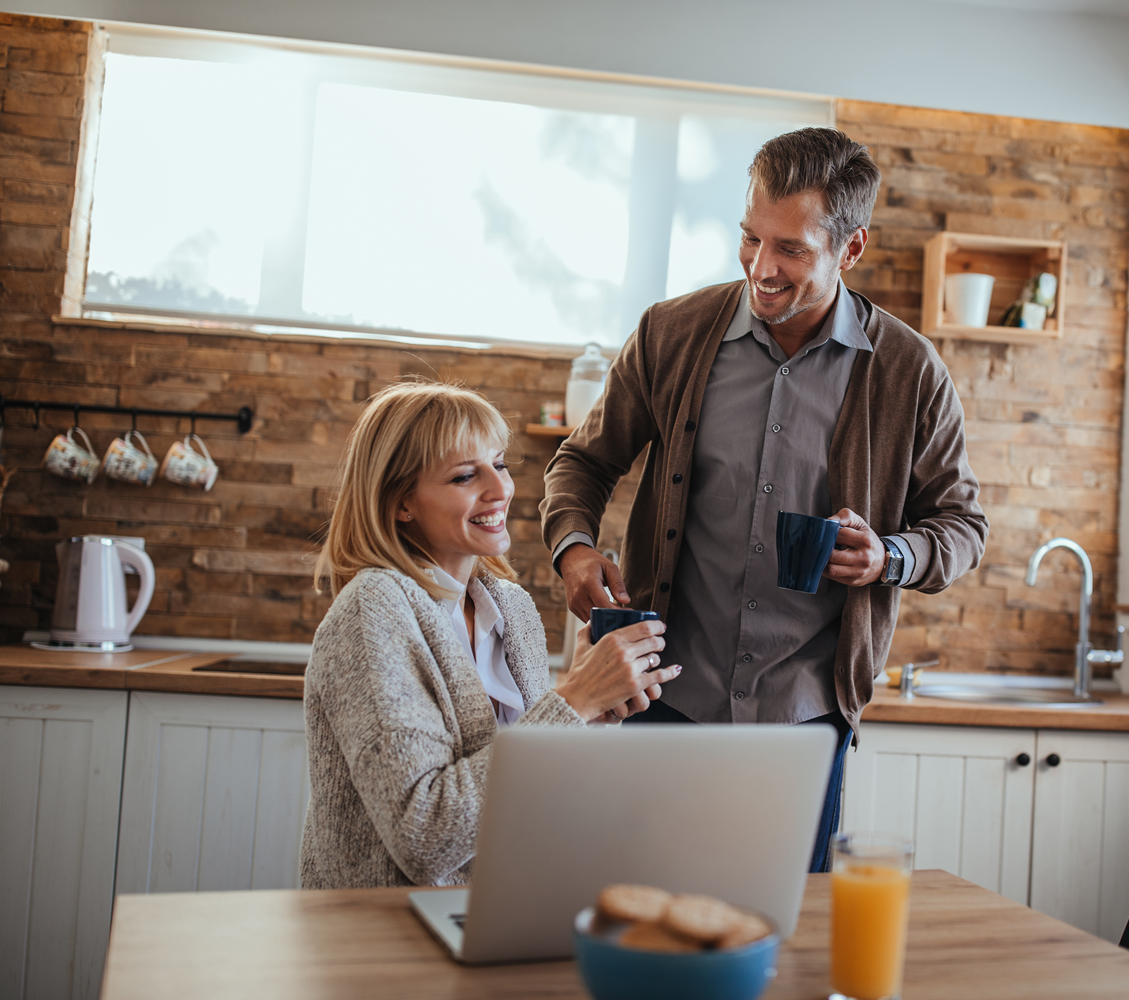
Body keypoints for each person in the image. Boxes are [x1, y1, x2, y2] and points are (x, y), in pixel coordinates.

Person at [541, 128, 988, 871]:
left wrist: (892, 555)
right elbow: (581, 462)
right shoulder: (671, 334)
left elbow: (963, 525)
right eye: (750, 238)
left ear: (851, 249)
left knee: (784, 944)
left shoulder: (910, 371)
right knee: (645, 918)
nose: (761, 267)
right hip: (664, 701)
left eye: (791, 249)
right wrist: (574, 548)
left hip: (803, 718)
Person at [301, 381, 679, 890]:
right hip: (391, 933)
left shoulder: (510, 606)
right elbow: (424, 838)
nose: (500, 489)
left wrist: (594, 712)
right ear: (401, 503)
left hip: (501, 909)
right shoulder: (374, 609)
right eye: (464, 475)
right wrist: (574, 702)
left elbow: (531, 784)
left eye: (499, 464)